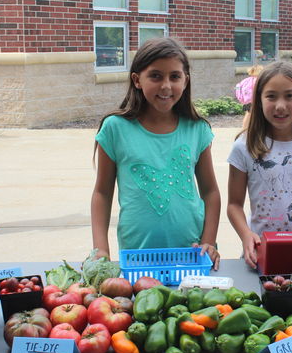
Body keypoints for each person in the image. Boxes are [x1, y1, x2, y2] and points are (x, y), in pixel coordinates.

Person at [91, 37, 220, 268]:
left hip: (191, 253)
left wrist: (209, 241)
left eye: (175, 77)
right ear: (137, 80)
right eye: (155, 76)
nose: (166, 86)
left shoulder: (197, 129)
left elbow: (210, 192)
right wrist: (101, 248)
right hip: (138, 255)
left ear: (186, 80)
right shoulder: (115, 128)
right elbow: (102, 193)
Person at [227, 61, 292, 269]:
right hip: (262, 252)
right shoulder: (244, 146)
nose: (280, 105)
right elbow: (234, 205)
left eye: (289, 96)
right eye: (271, 96)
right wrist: (246, 235)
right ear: (259, 99)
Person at [235, 64, 262, 129]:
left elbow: (237, 87)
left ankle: (244, 129)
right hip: (256, 101)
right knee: (257, 115)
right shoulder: (259, 81)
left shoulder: (246, 80)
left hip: (246, 101)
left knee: (248, 115)